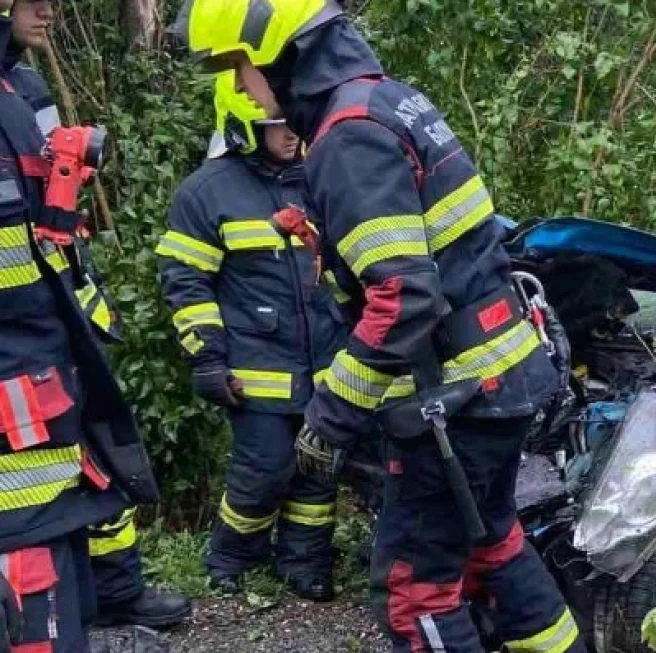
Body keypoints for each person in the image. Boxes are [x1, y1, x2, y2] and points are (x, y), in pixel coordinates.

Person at [172, 2, 585, 651]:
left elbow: (402, 297)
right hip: (499, 376)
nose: (248, 93)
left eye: (241, 68)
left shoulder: (349, 134)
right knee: (492, 543)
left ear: (280, 54)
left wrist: (330, 414)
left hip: (452, 398)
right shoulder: (390, 101)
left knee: (414, 592)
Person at [2, 0, 192, 630]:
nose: (49, 11)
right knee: (35, 486)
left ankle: (111, 590)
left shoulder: (25, 85)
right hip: (18, 338)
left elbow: (59, 183)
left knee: (91, 456)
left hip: (59, 316)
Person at [155, 70, 349, 601]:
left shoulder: (320, 177)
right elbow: (185, 281)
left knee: (318, 468)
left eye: (294, 123)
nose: (291, 135)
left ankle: (305, 562)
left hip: (328, 362)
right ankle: (231, 554)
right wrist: (208, 359)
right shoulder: (207, 191)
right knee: (264, 469)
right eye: (277, 125)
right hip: (254, 364)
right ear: (243, 124)